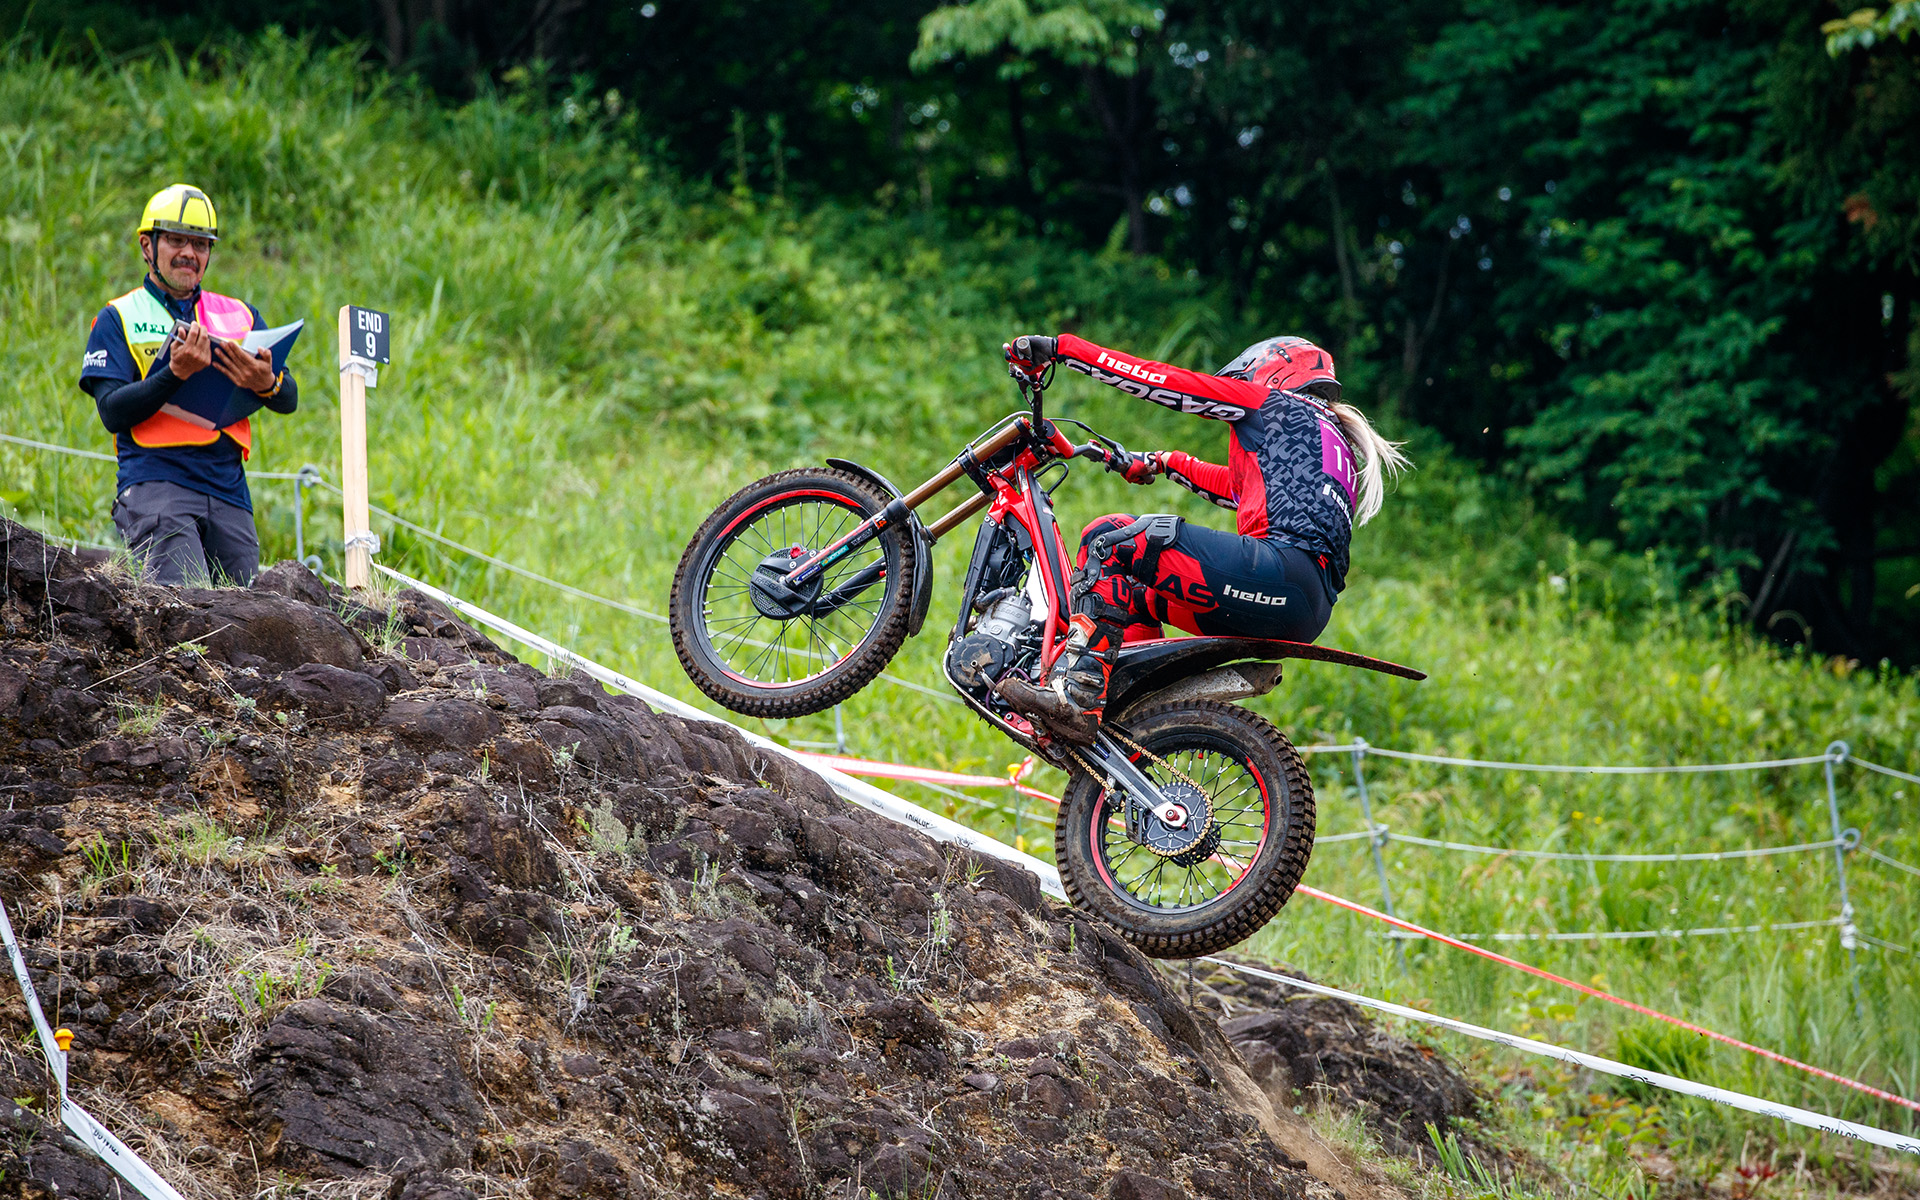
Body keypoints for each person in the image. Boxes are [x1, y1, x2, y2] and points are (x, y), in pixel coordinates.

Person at [995, 333, 1409, 744]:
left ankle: (1077, 695)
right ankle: (1128, 725)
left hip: (1276, 574)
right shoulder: (1325, 437)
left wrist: (1063, 349)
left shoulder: (1275, 405)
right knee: (1131, 593)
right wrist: (1163, 462)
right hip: (1305, 606)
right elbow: (1238, 488)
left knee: (1109, 537)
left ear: (1274, 370)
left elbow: (1163, 381)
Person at [77, 184, 299, 586]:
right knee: (186, 609)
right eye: (177, 240)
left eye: (200, 244)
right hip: (157, 484)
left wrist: (267, 383)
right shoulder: (118, 317)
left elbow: (289, 398)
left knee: (247, 622)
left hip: (229, 491)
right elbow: (112, 412)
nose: (189, 253)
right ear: (148, 246)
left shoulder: (240, 314)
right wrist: (173, 374)